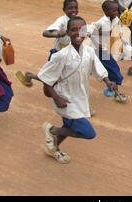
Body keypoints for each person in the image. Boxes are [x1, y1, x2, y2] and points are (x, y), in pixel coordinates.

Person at [37, 16, 118, 163]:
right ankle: (52, 131)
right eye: (73, 30)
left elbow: (97, 68)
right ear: (67, 32)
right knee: (87, 132)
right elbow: (45, 77)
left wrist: (108, 81)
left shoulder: (89, 52)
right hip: (65, 98)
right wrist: (57, 98)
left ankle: (53, 148)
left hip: (80, 96)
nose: (78, 33)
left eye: (81, 29)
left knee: (69, 126)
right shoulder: (61, 55)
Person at [87, 0, 129, 102]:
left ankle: (114, 90)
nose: (116, 12)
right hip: (99, 51)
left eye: (117, 10)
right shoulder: (102, 22)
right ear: (106, 11)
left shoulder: (115, 20)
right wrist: (97, 42)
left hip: (106, 49)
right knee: (114, 69)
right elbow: (88, 31)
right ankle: (117, 93)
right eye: (113, 11)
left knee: (99, 68)